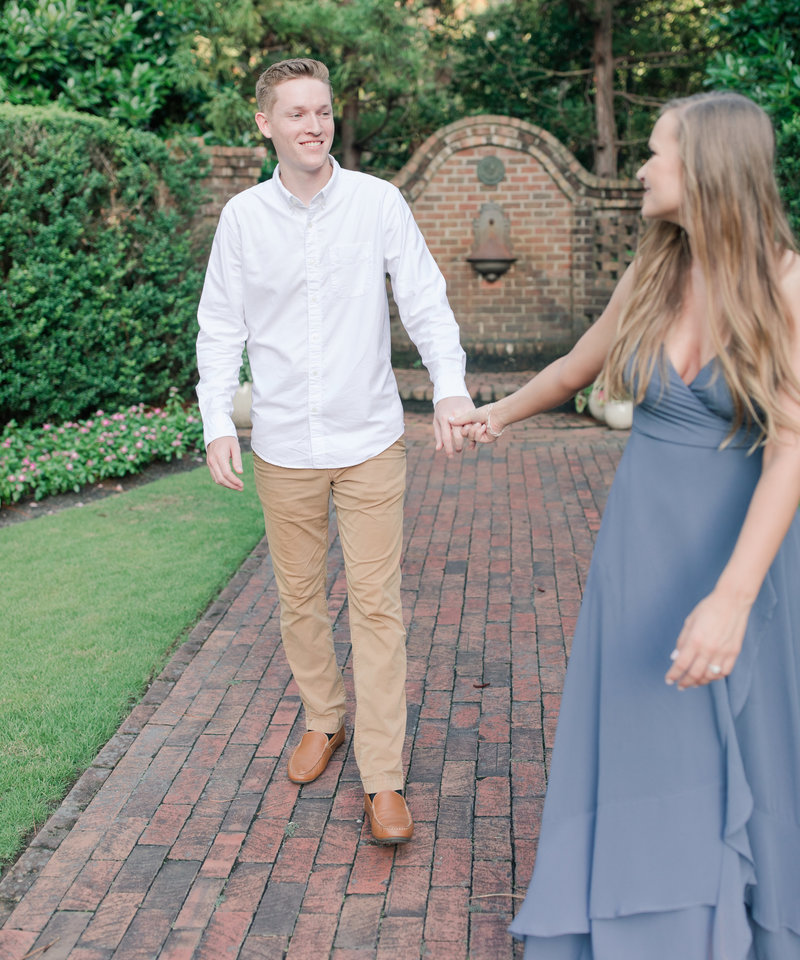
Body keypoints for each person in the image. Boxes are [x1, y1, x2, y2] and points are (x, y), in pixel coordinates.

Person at [453, 91, 800, 957]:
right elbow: (577, 366)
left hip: (741, 557)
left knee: (744, 744)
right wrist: (496, 415)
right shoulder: (652, 274)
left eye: (655, 153)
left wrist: (732, 599)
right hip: (640, 555)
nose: (640, 170)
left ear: (707, 167)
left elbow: (793, 449)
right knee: (644, 736)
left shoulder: (787, 284)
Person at [196, 57, 472, 845]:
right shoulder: (243, 219)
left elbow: (424, 299)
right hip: (284, 444)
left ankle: (383, 779)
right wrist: (218, 421)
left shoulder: (378, 202)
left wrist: (449, 387)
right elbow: (220, 327)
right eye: (297, 113)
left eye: (322, 111)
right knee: (300, 599)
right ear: (266, 125)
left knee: (377, 607)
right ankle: (325, 717)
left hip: (370, 441)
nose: (314, 125)